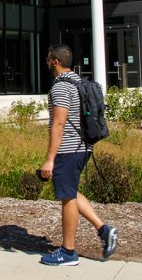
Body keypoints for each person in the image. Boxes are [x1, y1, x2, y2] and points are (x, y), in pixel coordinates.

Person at [38, 44, 118, 266]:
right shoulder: (77, 81)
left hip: (68, 149)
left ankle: (68, 252)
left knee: (67, 198)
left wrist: (50, 159)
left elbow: (59, 123)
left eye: (47, 58)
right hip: (83, 146)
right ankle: (104, 230)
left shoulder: (61, 87)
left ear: (55, 61)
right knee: (70, 192)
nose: (46, 61)